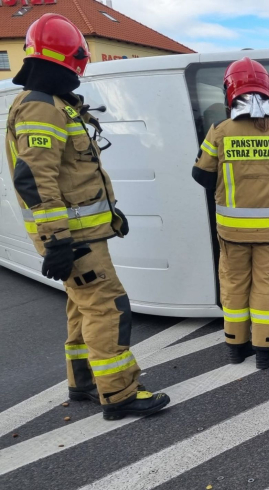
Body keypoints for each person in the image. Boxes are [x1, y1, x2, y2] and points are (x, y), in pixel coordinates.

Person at [4, 14, 169, 420]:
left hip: (79, 233)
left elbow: (72, 176)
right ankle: (120, 392)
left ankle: (82, 383)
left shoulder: (51, 104)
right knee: (108, 307)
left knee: (82, 307)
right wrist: (57, 239)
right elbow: (35, 179)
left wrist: (109, 218)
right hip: (71, 237)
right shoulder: (42, 109)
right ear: (68, 60)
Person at [192, 58, 269, 369]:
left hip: (231, 232)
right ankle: (265, 350)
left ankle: (235, 347)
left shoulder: (220, 131)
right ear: (268, 92)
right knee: (268, 286)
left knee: (234, 284)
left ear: (230, 92)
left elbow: (200, 175)